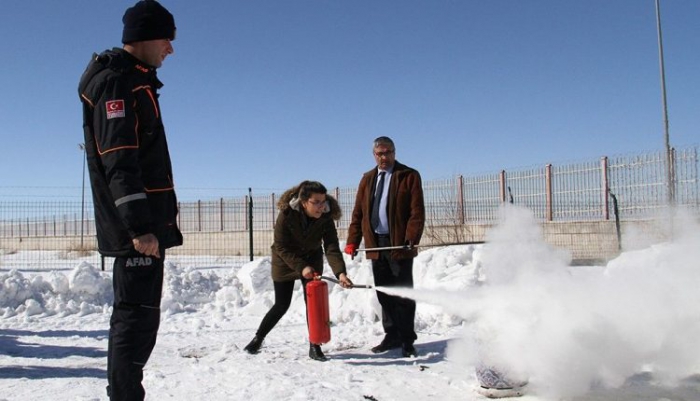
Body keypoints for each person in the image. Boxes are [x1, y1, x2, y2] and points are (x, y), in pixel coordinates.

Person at [77, 1, 181, 399]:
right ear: (144, 37)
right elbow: (119, 160)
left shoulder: (135, 79)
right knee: (134, 321)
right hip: (137, 231)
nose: (170, 49)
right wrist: (139, 226)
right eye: (167, 39)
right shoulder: (117, 82)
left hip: (145, 227)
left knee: (140, 321)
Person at [244, 181, 354, 361]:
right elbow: (281, 246)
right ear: (304, 202)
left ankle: (315, 345)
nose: (321, 206)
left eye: (323, 201)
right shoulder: (287, 214)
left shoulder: (325, 216)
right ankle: (258, 338)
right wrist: (301, 267)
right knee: (282, 304)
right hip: (285, 260)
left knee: (313, 303)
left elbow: (331, 246)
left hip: (312, 258)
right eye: (316, 202)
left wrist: (340, 273)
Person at [344, 136, 425, 358]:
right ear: (374, 155)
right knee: (384, 293)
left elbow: (417, 212)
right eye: (380, 153)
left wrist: (411, 237)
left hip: (399, 244)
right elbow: (358, 213)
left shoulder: (408, 176)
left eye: (388, 152)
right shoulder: (367, 179)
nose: (384, 157)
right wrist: (353, 240)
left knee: (403, 293)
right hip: (375, 245)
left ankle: (407, 339)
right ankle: (392, 335)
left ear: (395, 152)